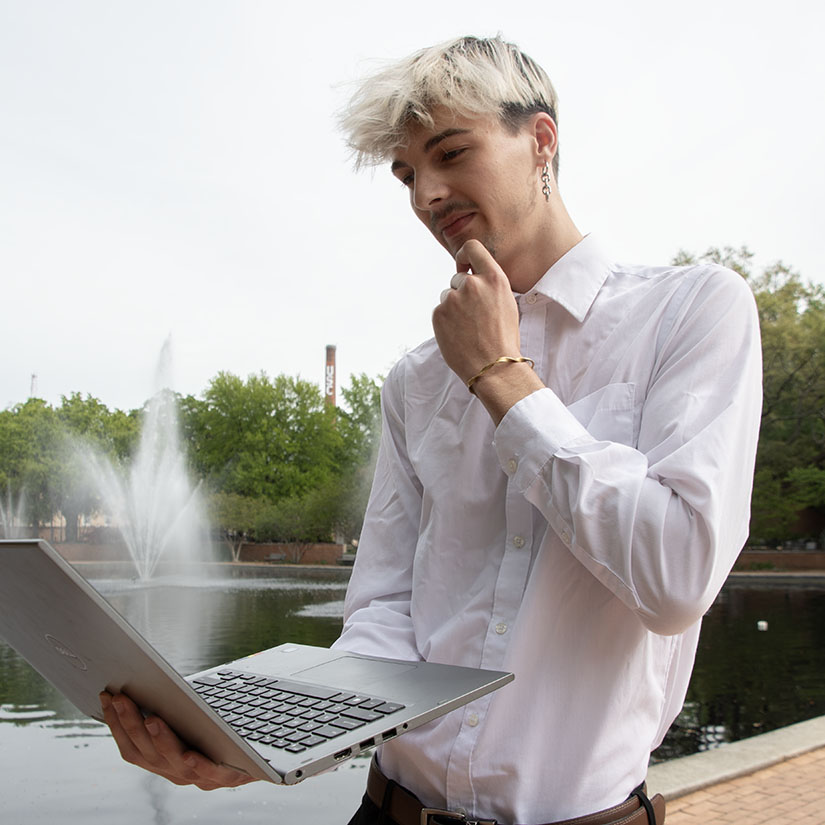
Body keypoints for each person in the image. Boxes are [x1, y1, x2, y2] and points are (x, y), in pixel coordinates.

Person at [102, 35, 763, 825]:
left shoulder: (691, 311)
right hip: (388, 810)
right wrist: (279, 741)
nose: (426, 194)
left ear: (541, 141)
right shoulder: (416, 378)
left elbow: (674, 579)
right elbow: (383, 606)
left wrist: (501, 379)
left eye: (451, 152)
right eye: (407, 174)